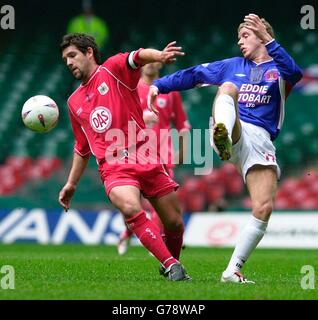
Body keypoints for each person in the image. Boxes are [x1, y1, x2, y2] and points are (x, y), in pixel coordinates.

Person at [148, 14, 303, 283]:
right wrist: (158, 85)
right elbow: (195, 74)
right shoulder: (232, 66)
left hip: (261, 140)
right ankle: (223, 136)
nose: (240, 42)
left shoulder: (279, 68)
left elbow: (295, 73)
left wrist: (269, 40)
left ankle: (232, 271)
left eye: (246, 36)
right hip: (234, 128)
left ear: (262, 35)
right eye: (239, 37)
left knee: (263, 207)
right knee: (228, 88)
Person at [59, 33, 191, 281]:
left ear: (89, 52)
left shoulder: (112, 69)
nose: (68, 62)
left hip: (145, 153)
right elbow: (81, 147)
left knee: (174, 224)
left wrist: (160, 55)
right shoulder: (73, 102)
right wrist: (71, 184)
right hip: (113, 165)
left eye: (72, 55)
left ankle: (172, 265)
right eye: (65, 59)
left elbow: (139, 55)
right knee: (131, 207)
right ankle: (172, 265)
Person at [117, 61, 191, 255]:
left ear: (160, 64)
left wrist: (182, 151)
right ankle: (127, 233)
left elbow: (182, 124)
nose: (149, 65)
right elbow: (121, 119)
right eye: (146, 61)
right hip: (136, 151)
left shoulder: (170, 92)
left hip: (162, 153)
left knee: (162, 200)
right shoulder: (131, 89)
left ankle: (157, 241)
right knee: (134, 203)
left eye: (153, 61)